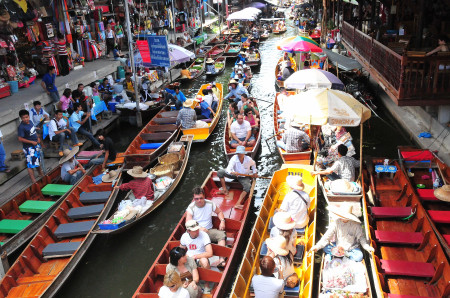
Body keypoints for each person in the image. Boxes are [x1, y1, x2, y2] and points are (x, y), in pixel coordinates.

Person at [186, 187, 227, 267]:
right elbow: (188, 222)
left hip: (209, 231)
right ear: (194, 198)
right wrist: (199, 228)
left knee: (222, 235)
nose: (199, 201)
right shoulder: (191, 208)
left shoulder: (210, 204)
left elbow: (219, 212)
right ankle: (196, 261)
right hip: (197, 232)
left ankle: (221, 259)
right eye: (196, 199)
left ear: (204, 196)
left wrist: (222, 221)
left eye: (201, 198)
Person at [18, 110, 44, 183]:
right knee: (30, 164)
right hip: (29, 148)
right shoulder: (21, 127)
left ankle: (40, 174)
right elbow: (20, 138)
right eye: (24, 118)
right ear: (21, 118)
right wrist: (31, 142)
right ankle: (33, 180)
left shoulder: (31, 122)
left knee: (37, 160)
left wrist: (38, 138)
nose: (26, 119)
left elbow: (34, 132)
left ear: (29, 116)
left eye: (27, 117)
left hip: (36, 145)